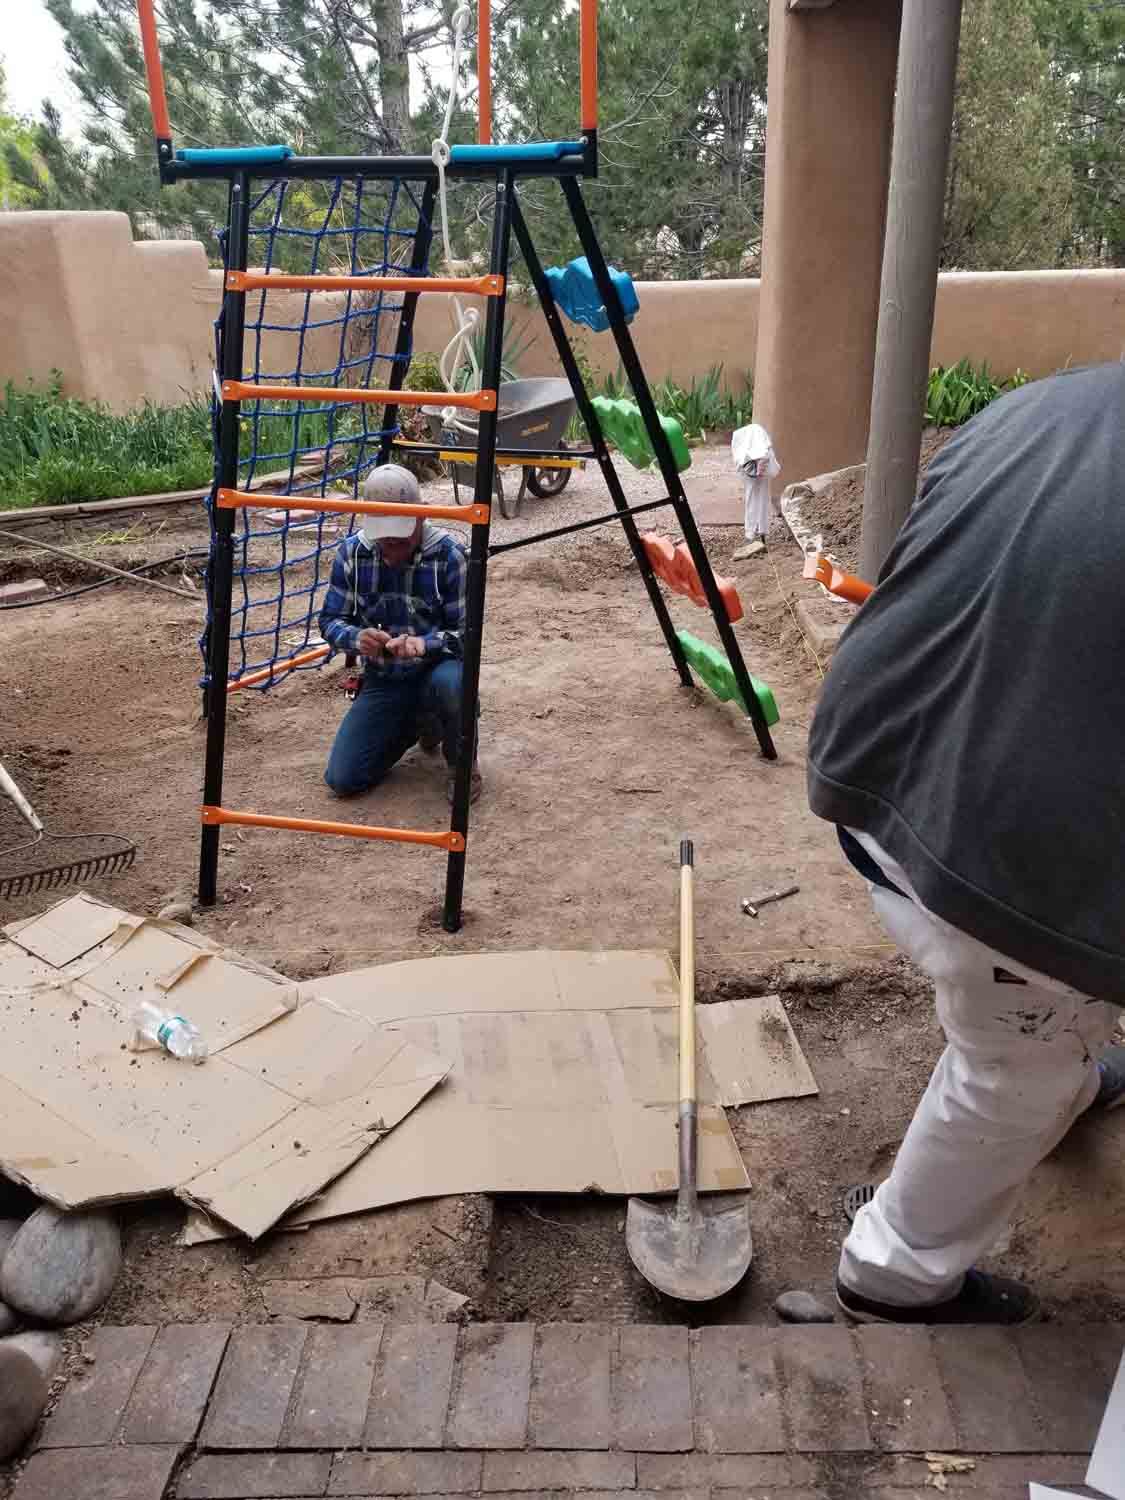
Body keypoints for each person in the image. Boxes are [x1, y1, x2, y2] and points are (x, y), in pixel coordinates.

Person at [807, 360, 1125, 1326]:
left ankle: (1070, 1059)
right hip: (996, 850)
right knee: (1016, 1063)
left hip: (874, 759)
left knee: (1034, 1016)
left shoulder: (1051, 403)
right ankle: (893, 1278)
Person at [318, 464, 481, 803]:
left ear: (421, 518)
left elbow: (467, 636)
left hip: (438, 669)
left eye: (400, 541)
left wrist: (424, 644)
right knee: (343, 778)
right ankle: (421, 722)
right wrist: (357, 638)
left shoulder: (451, 557)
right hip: (385, 678)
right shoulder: (351, 553)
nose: (391, 553)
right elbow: (330, 620)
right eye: (385, 541)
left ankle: (462, 764)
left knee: (454, 685)